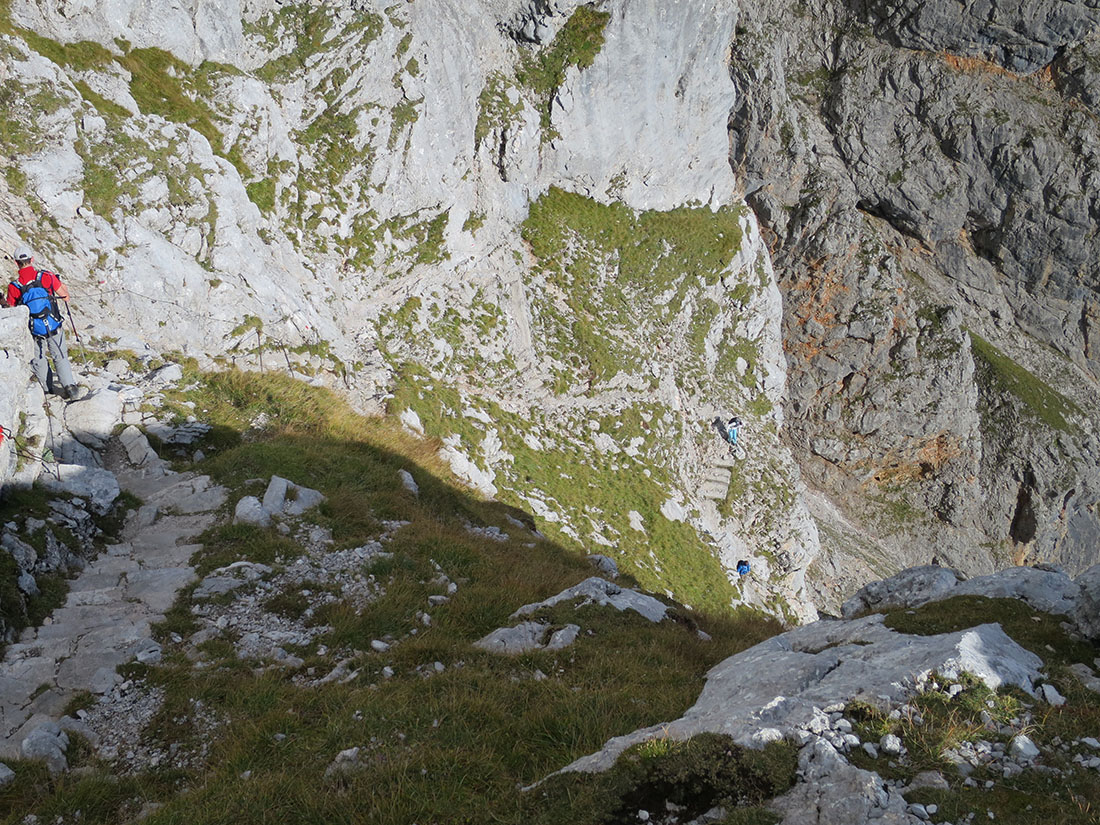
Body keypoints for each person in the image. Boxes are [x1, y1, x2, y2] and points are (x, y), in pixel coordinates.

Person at [7, 245, 79, 399]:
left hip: (33, 329)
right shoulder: (46, 276)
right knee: (59, 355)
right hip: (53, 324)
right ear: (32, 259)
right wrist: (61, 284)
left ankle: (47, 390)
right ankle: (70, 388)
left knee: (38, 358)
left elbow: (12, 311)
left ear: (16, 263)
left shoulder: (14, 287)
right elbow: (65, 297)